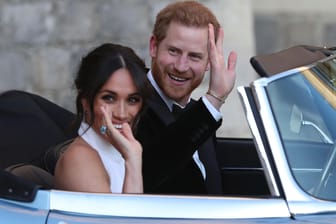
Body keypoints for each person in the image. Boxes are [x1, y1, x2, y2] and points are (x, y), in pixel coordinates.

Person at [136, 0, 237, 195]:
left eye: (194, 56)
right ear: (154, 47)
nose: (181, 66)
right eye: (173, 51)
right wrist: (215, 98)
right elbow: (153, 170)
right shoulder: (130, 104)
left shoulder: (197, 112)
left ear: (209, 62)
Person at [54, 43, 149, 193]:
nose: (121, 113)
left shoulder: (120, 150)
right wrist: (133, 160)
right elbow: (126, 217)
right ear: (85, 100)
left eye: (132, 100)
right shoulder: (80, 159)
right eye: (109, 98)